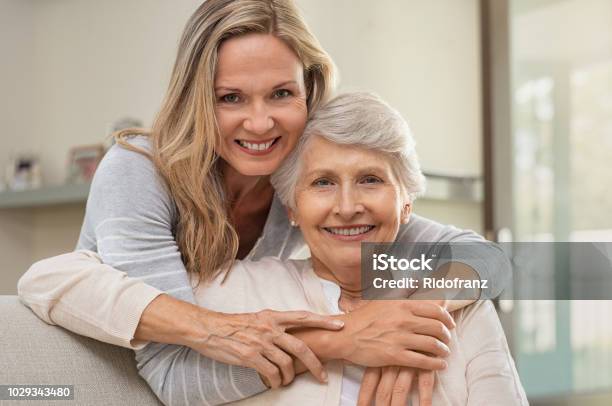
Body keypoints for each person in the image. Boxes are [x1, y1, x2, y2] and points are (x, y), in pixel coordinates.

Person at [18, 1, 511, 404]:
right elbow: (172, 375)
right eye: (230, 98)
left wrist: (416, 313)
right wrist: (347, 336)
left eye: (280, 93)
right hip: (103, 377)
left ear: (309, 91)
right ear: (196, 99)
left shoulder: (299, 179)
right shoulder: (139, 171)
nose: (259, 124)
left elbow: (489, 259)